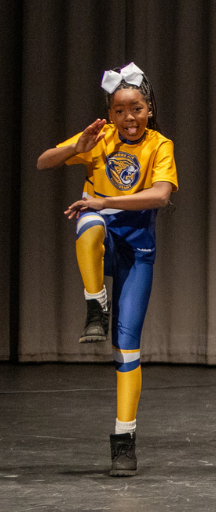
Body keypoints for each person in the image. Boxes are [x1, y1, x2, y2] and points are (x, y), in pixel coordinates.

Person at [36, 62, 178, 477]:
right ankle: (95, 305)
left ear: (148, 109)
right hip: (101, 236)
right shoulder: (98, 139)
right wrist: (74, 146)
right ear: (110, 113)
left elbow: (160, 195)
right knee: (89, 221)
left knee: (127, 349)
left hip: (137, 249)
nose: (127, 118)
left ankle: (123, 440)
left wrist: (104, 200)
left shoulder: (160, 145)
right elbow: (44, 161)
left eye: (135, 109)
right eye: (119, 110)